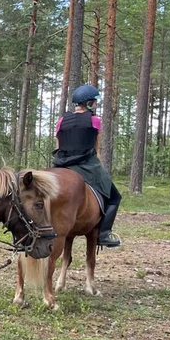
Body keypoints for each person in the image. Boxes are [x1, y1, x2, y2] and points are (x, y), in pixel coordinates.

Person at [54, 84, 121, 247]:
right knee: (114, 197)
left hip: (61, 164)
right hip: (86, 164)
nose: (96, 104)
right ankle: (104, 234)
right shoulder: (94, 120)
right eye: (95, 101)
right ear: (88, 102)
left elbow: (57, 145)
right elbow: (96, 148)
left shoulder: (61, 121)